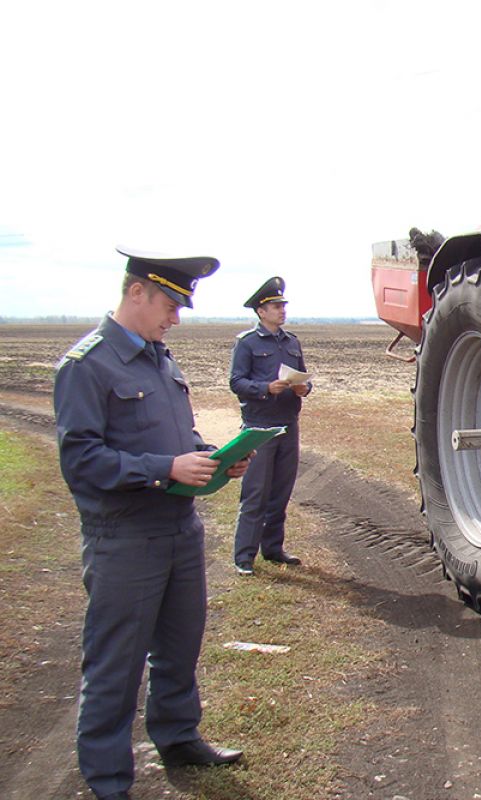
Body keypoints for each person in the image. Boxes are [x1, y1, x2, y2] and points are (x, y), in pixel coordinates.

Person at [53, 247, 249, 800]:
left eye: (181, 307)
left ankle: (178, 736)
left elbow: (176, 439)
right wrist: (165, 468)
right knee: (116, 663)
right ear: (135, 292)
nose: (176, 317)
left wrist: (213, 457)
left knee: (179, 646)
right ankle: (109, 778)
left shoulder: (161, 359)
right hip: (124, 538)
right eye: (169, 303)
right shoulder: (85, 366)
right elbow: (82, 461)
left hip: (178, 531)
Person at [229, 276, 311, 575]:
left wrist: (304, 388)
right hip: (260, 426)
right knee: (255, 493)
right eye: (276, 306)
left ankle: (273, 549)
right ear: (261, 311)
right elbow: (236, 382)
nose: (282, 310)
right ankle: (244, 557)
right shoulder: (247, 343)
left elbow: (303, 376)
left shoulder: (291, 342)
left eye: (283, 305)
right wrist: (266, 388)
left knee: (281, 490)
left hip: (289, 423)